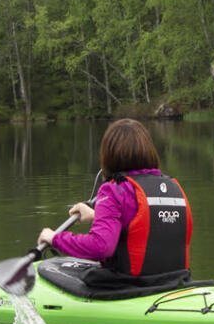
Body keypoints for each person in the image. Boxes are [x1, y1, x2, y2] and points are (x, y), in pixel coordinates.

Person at [38, 118, 193, 281]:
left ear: (109, 154)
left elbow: (100, 247)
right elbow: (146, 222)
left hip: (133, 284)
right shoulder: (172, 186)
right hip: (175, 280)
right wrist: (96, 214)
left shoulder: (114, 189)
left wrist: (55, 238)